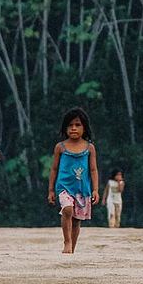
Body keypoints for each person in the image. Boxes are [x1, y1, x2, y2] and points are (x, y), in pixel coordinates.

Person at [48, 107, 100, 253]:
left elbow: (93, 170)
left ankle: (72, 248)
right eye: (70, 125)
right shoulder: (60, 147)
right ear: (65, 128)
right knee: (67, 209)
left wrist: (95, 189)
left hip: (82, 189)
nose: (73, 128)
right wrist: (51, 190)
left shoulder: (89, 148)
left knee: (76, 220)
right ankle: (67, 242)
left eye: (77, 125)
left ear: (84, 127)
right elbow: (54, 169)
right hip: (64, 187)